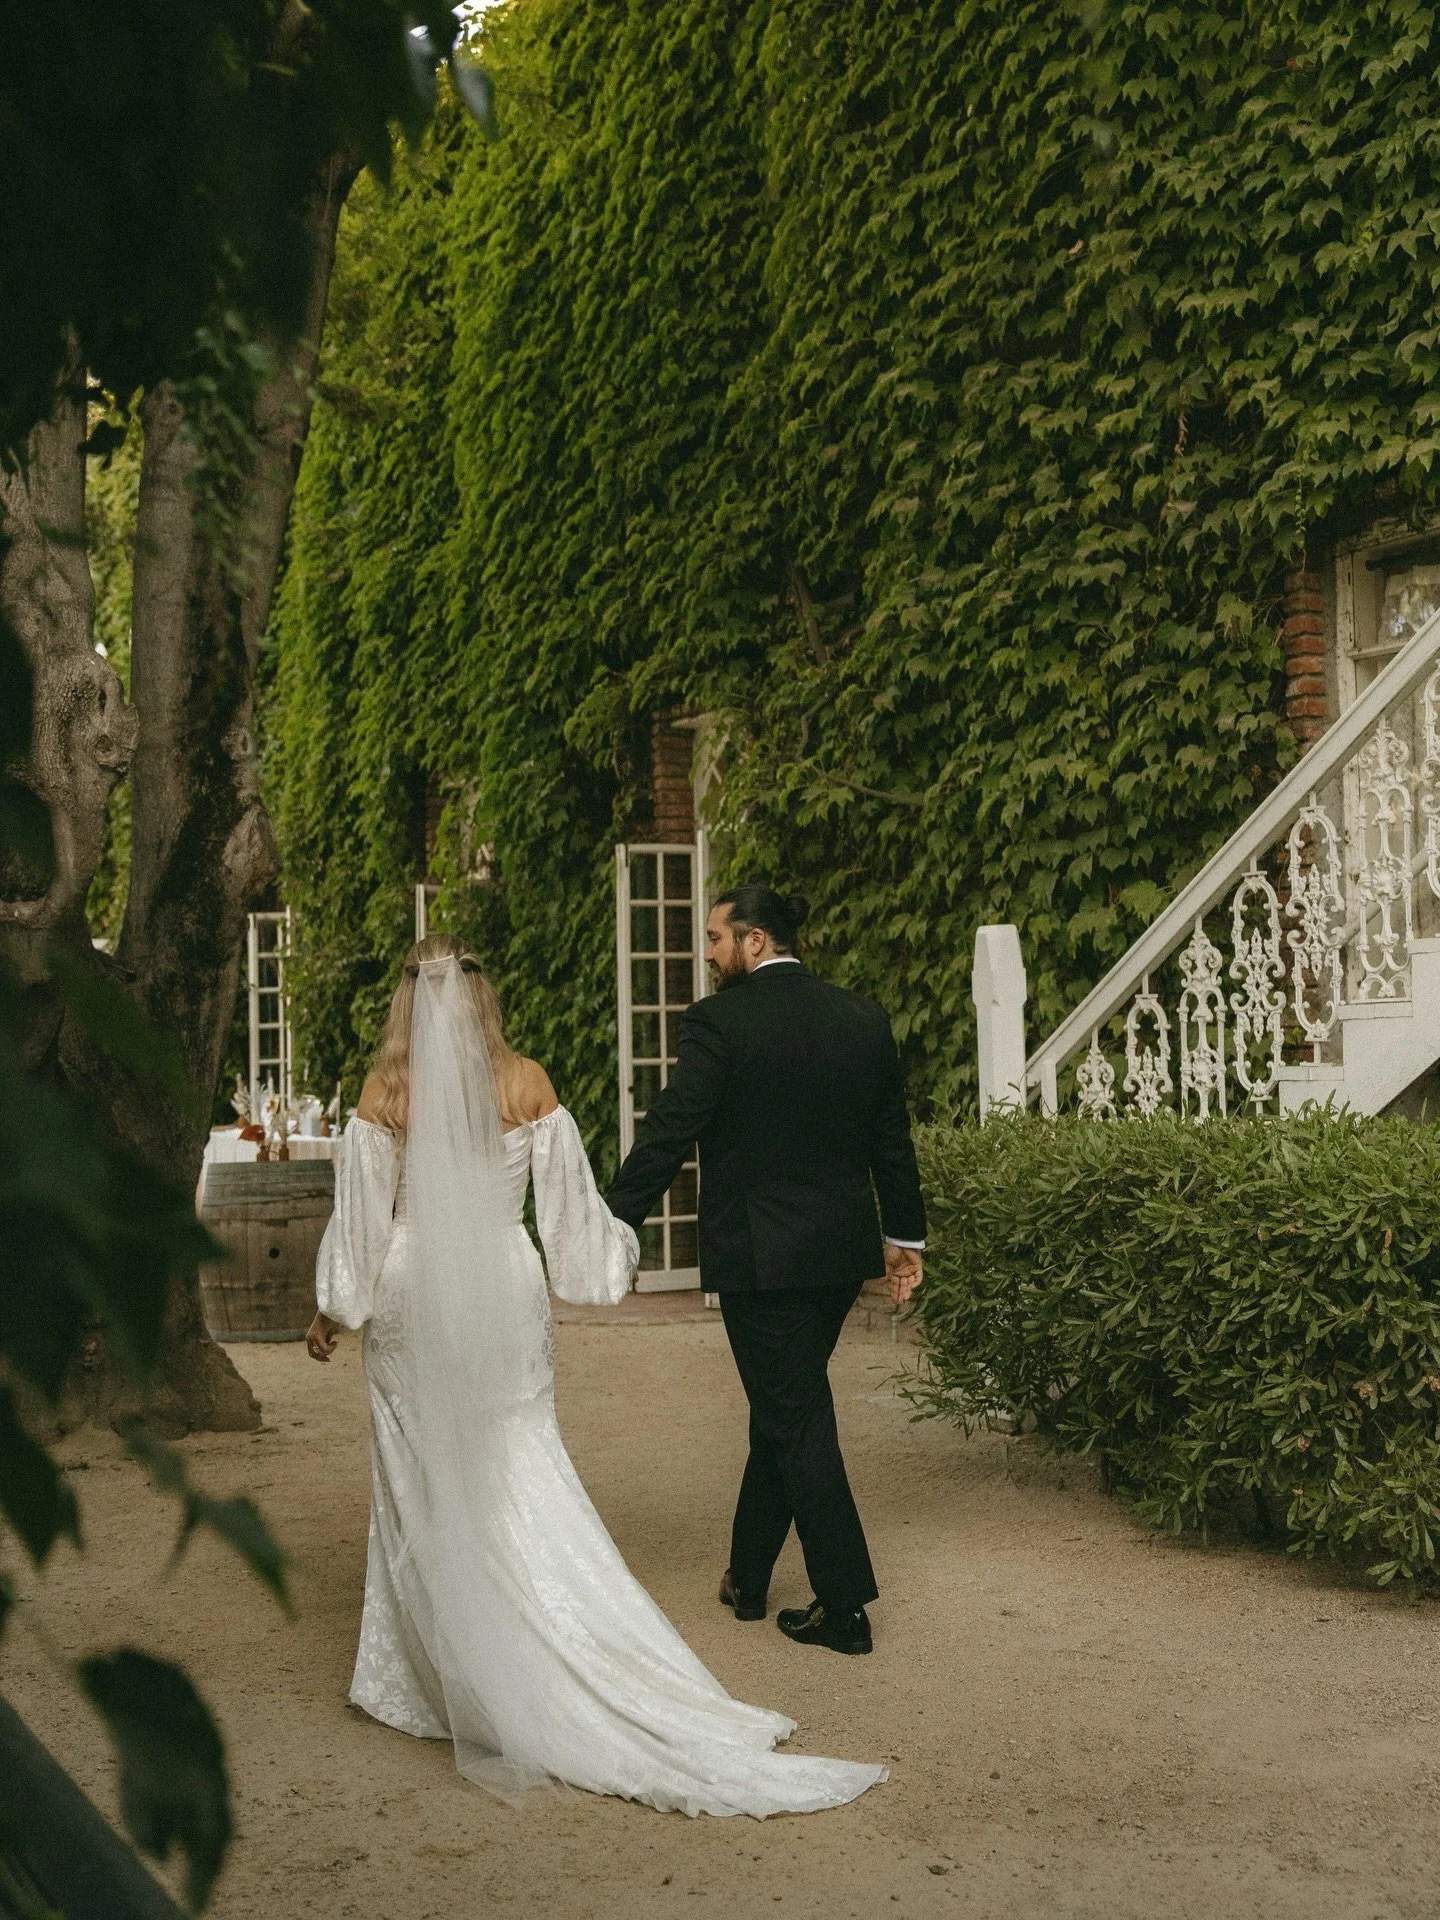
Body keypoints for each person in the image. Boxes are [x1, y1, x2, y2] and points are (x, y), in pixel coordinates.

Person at [304, 932, 884, 1815]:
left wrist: (335, 1308)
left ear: (406, 1004)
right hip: (505, 1282)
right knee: (519, 1456)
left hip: (414, 1289)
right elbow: (573, 1216)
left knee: (421, 1470)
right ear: (482, 996)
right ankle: (549, 1645)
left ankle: (438, 1673)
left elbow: (362, 1223)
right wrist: (607, 1260)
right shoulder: (527, 1081)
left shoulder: (386, 1092)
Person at [607, 887, 926, 1657]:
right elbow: (891, 1138)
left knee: (796, 1416)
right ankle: (748, 1578)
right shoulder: (862, 1018)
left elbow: (673, 1128)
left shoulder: (720, 1021)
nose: (708, 953)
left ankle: (844, 1605)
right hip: (835, 1259)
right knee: (783, 1409)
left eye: (716, 938)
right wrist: (905, 1237)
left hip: (760, 1260)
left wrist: (612, 1218)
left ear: (753, 941)